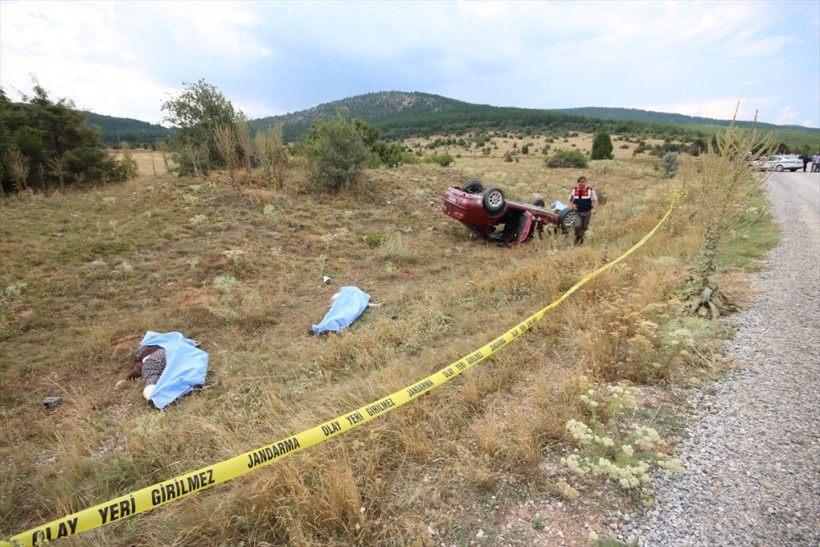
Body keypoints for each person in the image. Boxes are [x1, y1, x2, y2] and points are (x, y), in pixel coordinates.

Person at [569, 175, 598, 245]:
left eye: (582, 182)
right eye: (579, 182)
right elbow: (570, 200)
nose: (580, 183)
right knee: (578, 226)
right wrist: (573, 205)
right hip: (577, 212)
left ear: (585, 182)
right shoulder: (574, 190)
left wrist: (595, 208)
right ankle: (577, 238)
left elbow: (595, 200)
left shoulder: (590, 190)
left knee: (585, 228)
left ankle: (581, 241)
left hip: (587, 212)